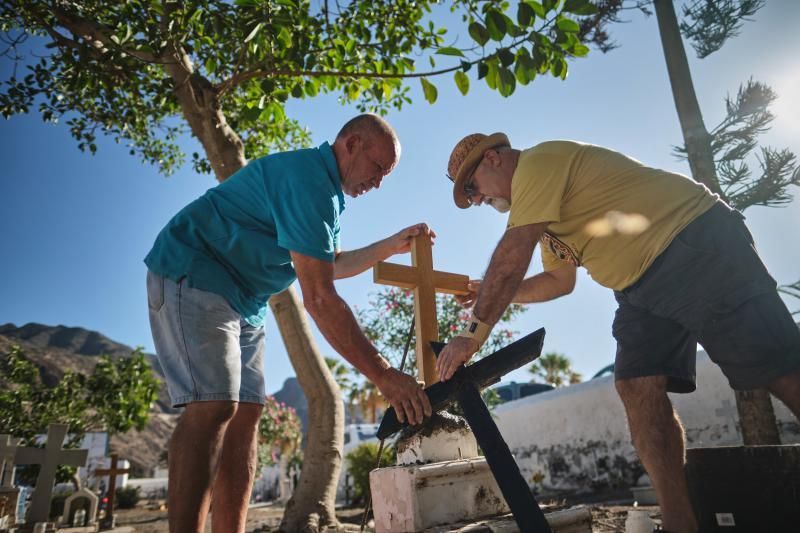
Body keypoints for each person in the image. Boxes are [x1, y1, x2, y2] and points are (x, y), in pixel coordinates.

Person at [436, 132, 800, 533]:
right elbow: (559, 282)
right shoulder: (541, 214)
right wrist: (488, 293)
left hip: (691, 242)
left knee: (777, 366)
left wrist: (472, 333)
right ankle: (681, 523)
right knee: (636, 385)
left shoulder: (538, 165)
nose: (475, 200)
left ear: (493, 158)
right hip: (639, 289)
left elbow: (511, 255)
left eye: (471, 188)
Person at [144, 114, 432, 533]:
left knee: (246, 415)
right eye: (378, 168)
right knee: (214, 404)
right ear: (351, 144)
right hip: (195, 270)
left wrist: (390, 245)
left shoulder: (329, 196)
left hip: (247, 299)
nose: (380, 181)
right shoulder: (308, 179)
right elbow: (318, 297)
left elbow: (329, 263)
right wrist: (384, 374)